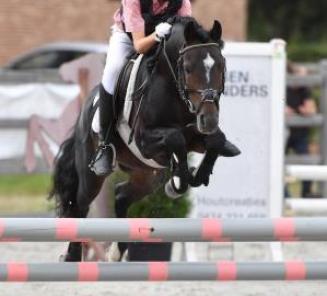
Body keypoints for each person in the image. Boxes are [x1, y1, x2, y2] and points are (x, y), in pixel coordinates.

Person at [91, 0, 240, 176]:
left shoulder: (181, 3)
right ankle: (105, 145)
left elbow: (187, 36)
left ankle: (207, 133)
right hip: (129, 38)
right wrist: (155, 35)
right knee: (113, 69)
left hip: (164, 40)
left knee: (185, 73)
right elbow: (139, 46)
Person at [286, 62, 317, 197]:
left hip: (300, 134)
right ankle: (285, 196)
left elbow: (311, 109)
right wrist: (300, 111)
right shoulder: (283, 88)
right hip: (284, 134)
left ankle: (306, 193)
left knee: (308, 165)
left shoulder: (305, 90)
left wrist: (296, 111)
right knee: (278, 166)